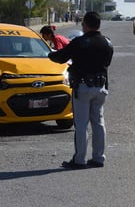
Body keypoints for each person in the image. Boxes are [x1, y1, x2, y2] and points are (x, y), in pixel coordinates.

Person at [48, 11, 113, 169]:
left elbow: (61, 57)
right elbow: (107, 63)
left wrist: (49, 54)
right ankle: (98, 158)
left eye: (83, 24)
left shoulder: (80, 42)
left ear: (86, 24)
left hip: (83, 88)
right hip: (101, 88)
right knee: (99, 123)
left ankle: (79, 160)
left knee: (81, 124)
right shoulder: (107, 42)